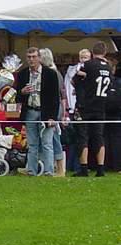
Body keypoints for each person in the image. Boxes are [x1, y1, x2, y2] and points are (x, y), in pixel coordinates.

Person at [15, 47, 59, 176]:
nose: (31, 59)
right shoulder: (22, 74)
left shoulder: (50, 73)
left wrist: (53, 117)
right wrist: (22, 92)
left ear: (39, 58)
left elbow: (55, 97)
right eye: (29, 57)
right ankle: (31, 171)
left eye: (34, 57)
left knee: (47, 143)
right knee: (32, 144)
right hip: (30, 111)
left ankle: (48, 171)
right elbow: (17, 96)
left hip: (46, 112)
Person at [72, 41, 112, 177]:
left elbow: (74, 80)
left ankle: (84, 168)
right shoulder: (108, 66)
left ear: (92, 53)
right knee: (99, 136)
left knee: (83, 136)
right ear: (105, 52)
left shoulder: (89, 65)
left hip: (86, 106)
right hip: (101, 106)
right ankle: (100, 168)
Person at [39, 48, 67, 177]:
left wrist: (62, 113)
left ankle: (59, 168)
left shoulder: (53, 73)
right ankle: (58, 168)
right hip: (53, 108)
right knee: (52, 138)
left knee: (53, 139)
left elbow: (60, 95)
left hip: (53, 109)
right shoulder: (55, 73)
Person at [64, 49, 92, 173]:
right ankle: (77, 166)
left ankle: (78, 165)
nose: (84, 59)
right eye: (82, 57)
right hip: (77, 108)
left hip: (84, 108)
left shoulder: (88, 70)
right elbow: (69, 85)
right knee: (78, 138)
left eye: (86, 57)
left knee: (81, 138)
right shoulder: (74, 71)